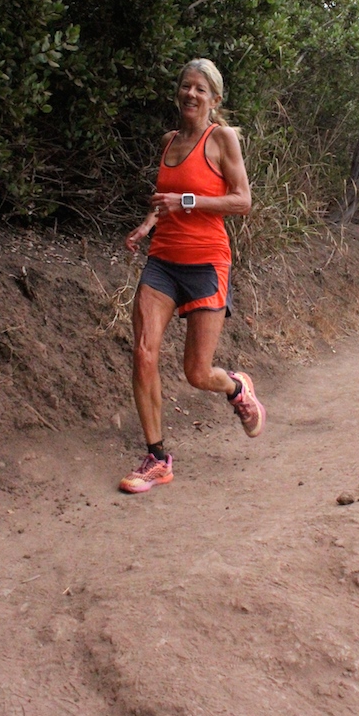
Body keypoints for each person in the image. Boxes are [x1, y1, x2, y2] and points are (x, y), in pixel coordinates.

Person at [119, 58, 266, 494]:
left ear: (214, 99)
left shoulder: (221, 139)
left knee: (197, 373)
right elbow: (166, 199)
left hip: (206, 263)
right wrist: (148, 224)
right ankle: (157, 458)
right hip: (163, 260)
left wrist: (186, 201)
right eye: (186, 86)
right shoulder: (168, 142)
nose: (191, 94)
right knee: (143, 352)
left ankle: (236, 387)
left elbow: (242, 201)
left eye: (201, 89)